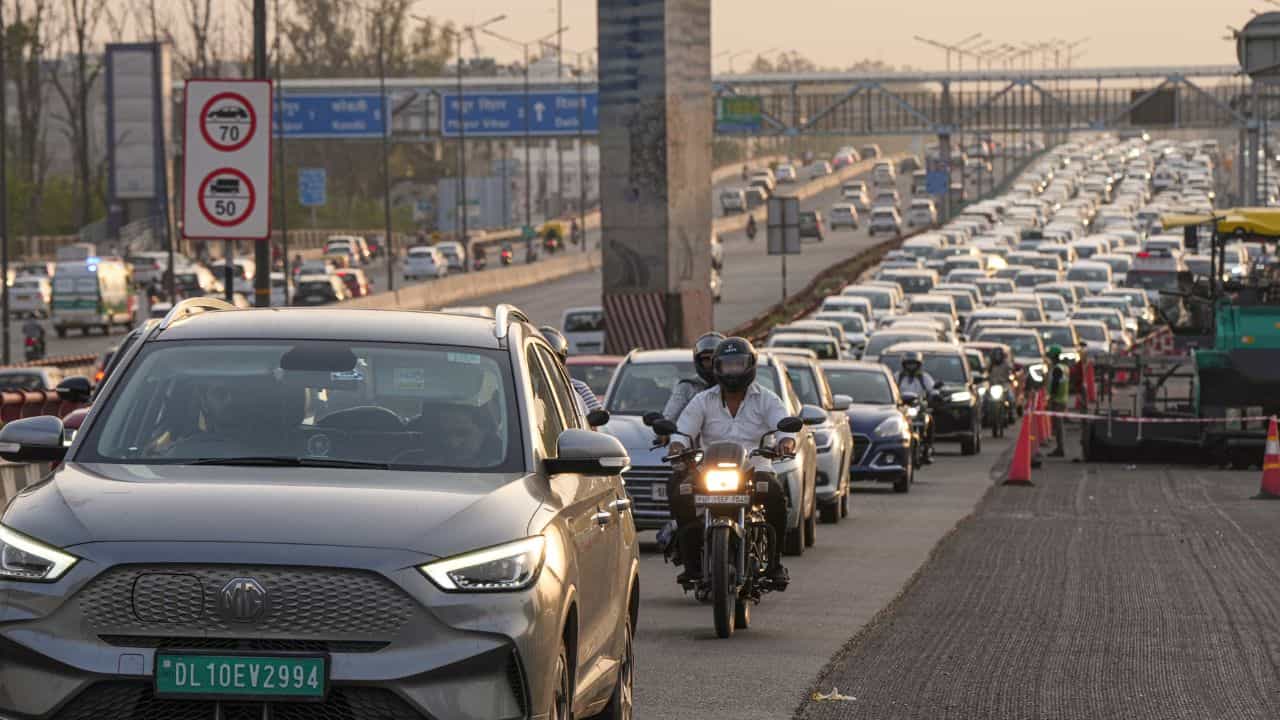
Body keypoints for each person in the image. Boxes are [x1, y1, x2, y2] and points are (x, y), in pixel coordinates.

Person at [670, 337, 794, 587]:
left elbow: (784, 427)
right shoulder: (702, 400)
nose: (733, 371)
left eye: (738, 364)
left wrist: (786, 443)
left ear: (750, 365)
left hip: (754, 469)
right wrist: (677, 445)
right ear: (717, 367)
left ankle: (775, 562)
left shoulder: (767, 399)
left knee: (776, 496)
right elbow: (683, 431)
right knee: (679, 491)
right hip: (709, 471)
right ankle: (692, 561)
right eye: (727, 365)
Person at [661, 331, 724, 422]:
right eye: (706, 358)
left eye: (715, 358)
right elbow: (669, 417)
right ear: (698, 361)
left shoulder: (734, 384)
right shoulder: (687, 387)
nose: (711, 362)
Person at [540, 326, 602, 416]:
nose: (546, 365)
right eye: (542, 358)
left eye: (552, 359)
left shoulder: (579, 388)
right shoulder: (522, 388)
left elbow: (596, 424)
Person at [896, 351, 936, 464]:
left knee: (930, 420)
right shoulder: (898, 377)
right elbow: (892, 390)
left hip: (918, 409)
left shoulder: (924, 378)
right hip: (902, 409)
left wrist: (935, 395)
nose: (911, 367)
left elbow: (932, 390)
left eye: (913, 364)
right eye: (908, 364)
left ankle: (928, 447)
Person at [1046, 344, 1069, 457]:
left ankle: (1060, 449)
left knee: (1058, 426)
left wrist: (1050, 398)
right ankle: (1060, 448)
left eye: (1050, 356)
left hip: (1057, 400)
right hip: (1062, 399)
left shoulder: (1057, 369)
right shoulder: (1064, 367)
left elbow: (1055, 385)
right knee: (1058, 426)